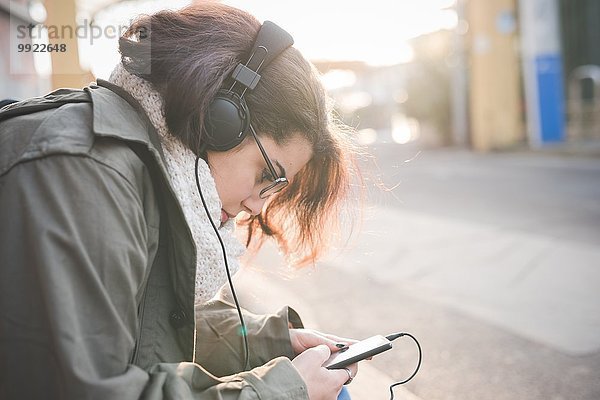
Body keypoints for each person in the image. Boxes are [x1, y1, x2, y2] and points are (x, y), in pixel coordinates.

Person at [0, 3, 363, 400]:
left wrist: (275, 342)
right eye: (266, 175)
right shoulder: (85, 174)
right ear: (219, 119)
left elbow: (145, 317)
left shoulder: (147, 168)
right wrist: (282, 393)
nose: (257, 206)